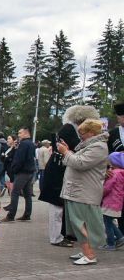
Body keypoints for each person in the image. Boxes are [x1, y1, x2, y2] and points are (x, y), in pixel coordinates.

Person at [39, 105, 99, 247]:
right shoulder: (69, 129)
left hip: (58, 171)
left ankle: (63, 234)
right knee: (57, 207)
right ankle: (56, 237)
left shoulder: (68, 128)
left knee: (60, 206)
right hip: (57, 174)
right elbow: (78, 147)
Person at [57, 119, 108, 265]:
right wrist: (70, 151)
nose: (80, 136)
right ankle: (86, 250)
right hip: (79, 191)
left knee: (81, 224)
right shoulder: (91, 145)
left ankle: (90, 255)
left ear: (92, 132)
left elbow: (80, 163)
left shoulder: (98, 147)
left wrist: (66, 152)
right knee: (78, 223)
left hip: (84, 192)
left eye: (82, 133)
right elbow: (77, 159)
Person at [0, 127, 36, 222]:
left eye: (20, 133)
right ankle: (27, 214)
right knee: (27, 194)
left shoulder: (23, 144)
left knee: (15, 193)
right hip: (29, 171)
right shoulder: (31, 143)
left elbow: (19, 159)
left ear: (26, 133)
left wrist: (14, 169)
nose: (18, 135)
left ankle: (11, 215)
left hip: (22, 172)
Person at [99, 152, 124, 250]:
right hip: (117, 202)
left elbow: (107, 188)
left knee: (107, 223)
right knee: (109, 221)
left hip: (110, 202)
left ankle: (111, 244)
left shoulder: (114, 173)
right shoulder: (121, 173)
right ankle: (120, 238)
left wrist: (100, 193)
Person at [107, 101, 124, 234]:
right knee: (119, 207)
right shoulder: (113, 134)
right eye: (120, 116)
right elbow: (106, 153)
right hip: (117, 177)